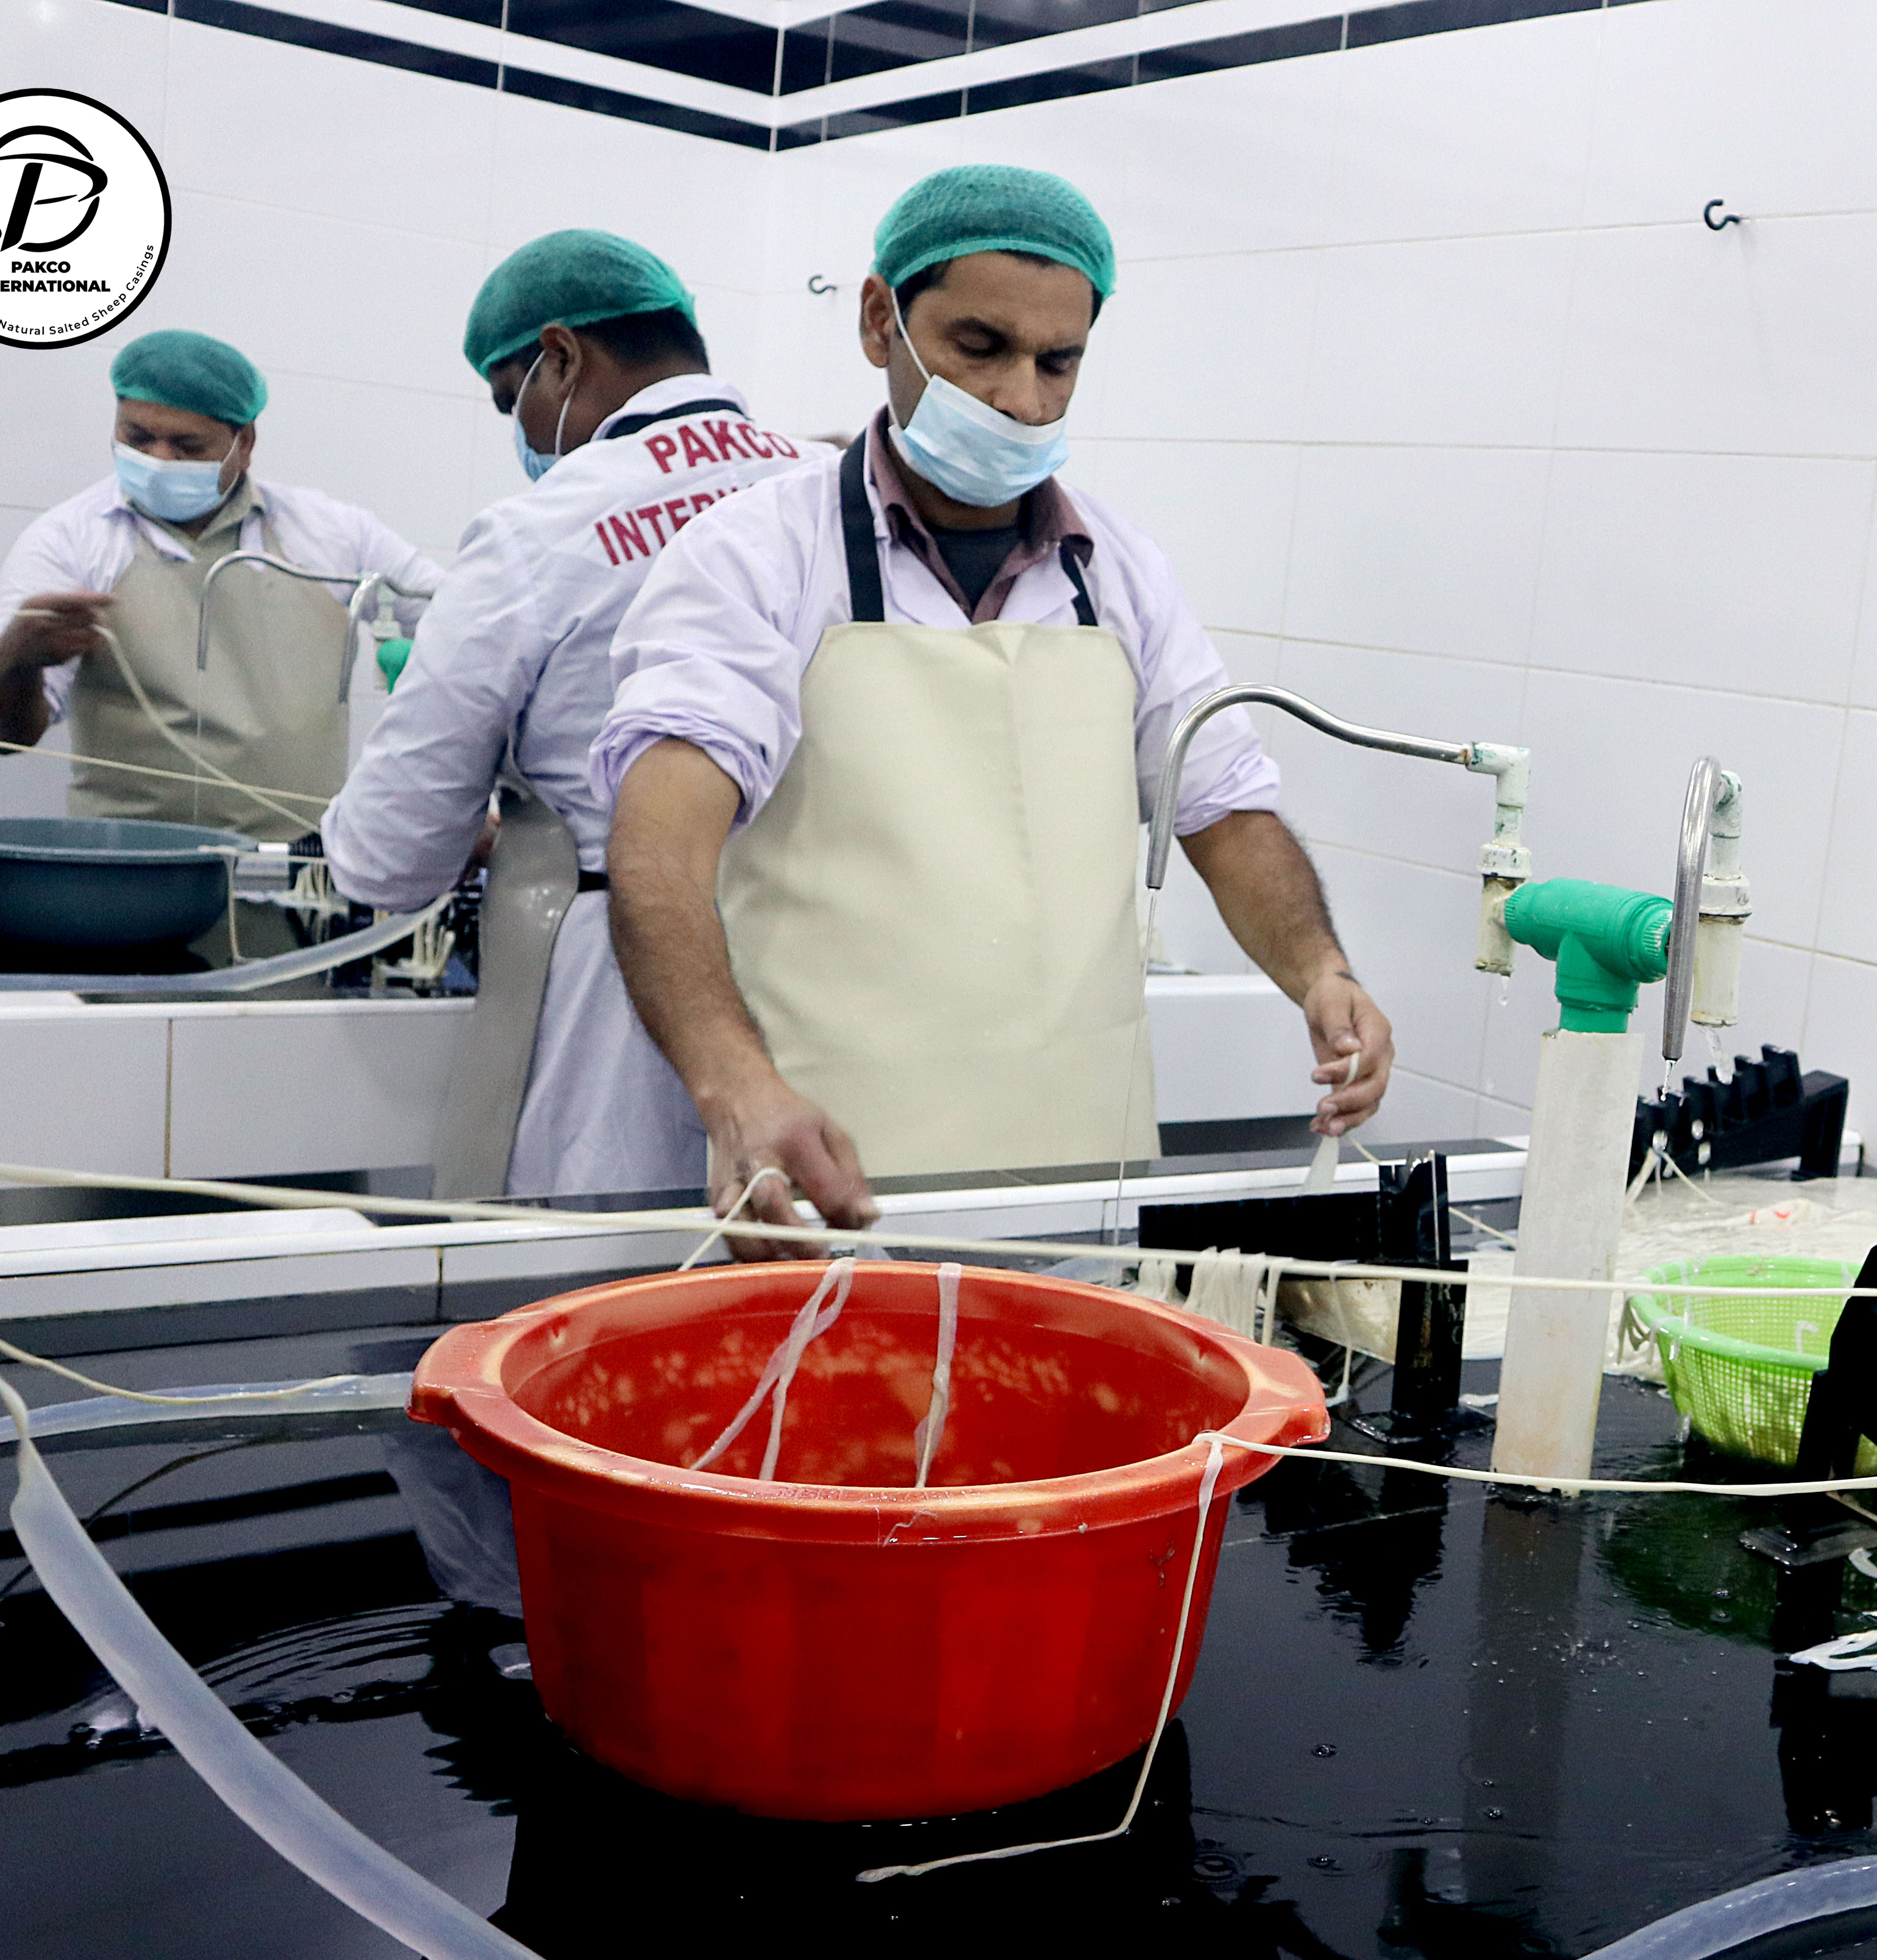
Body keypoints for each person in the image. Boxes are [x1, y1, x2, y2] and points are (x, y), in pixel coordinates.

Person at [594, 165, 1394, 1244]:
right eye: (981, 348)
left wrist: (1321, 973)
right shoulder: (757, 558)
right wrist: (732, 1085)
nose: (1023, 398)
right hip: (828, 1178)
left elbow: (1223, 806)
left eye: (1058, 362)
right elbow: (659, 846)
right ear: (882, 322)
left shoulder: (1117, 574)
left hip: (1084, 1179)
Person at [320, 231, 816, 1196]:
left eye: (515, 399)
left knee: (621, 1302)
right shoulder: (834, 488)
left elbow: (388, 854)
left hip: (616, 991)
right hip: (830, 966)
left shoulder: (539, 531)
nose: (520, 426)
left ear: (563, 356)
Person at [0, 328, 438, 837]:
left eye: (188, 446)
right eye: (138, 437)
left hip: (301, 882)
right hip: (129, 876)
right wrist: (16, 659)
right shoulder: (70, 541)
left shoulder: (334, 536)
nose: (160, 461)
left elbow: (463, 621)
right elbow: (5, 737)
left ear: (246, 443)